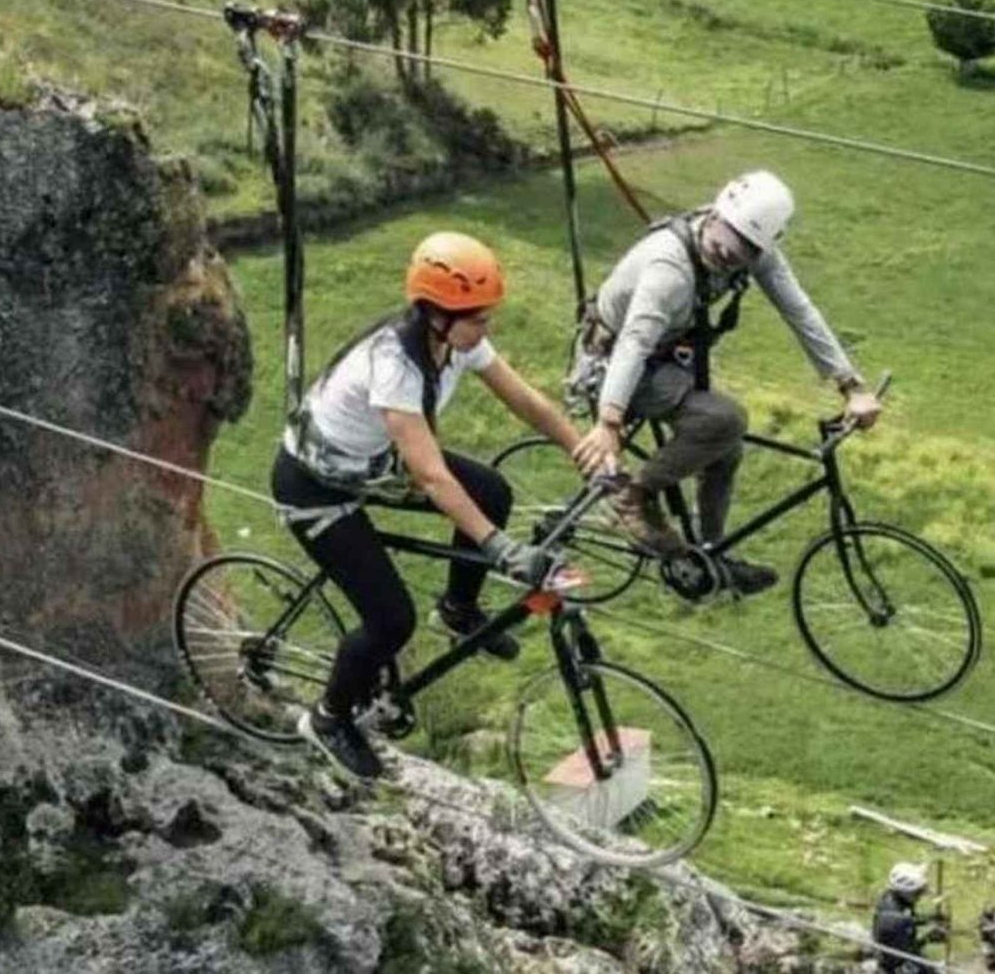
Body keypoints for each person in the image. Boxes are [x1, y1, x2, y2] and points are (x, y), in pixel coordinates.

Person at [272, 231, 585, 779]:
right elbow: (432, 477)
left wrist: (583, 449)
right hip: (316, 488)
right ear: (436, 313)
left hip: (370, 467)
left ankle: (459, 610)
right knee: (391, 620)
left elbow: (527, 402)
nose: (486, 330)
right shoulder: (395, 364)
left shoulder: (454, 341)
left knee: (492, 490)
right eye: (477, 320)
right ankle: (328, 719)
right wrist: (500, 547)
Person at [569, 170, 882, 594]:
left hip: (663, 358)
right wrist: (608, 423)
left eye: (740, 256)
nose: (726, 259)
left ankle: (709, 554)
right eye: (722, 247)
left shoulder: (755, 252)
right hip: (613, 364)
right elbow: (633, 342)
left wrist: (850, 385)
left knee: (725, 447)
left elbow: (800, 311)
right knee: (726, 419)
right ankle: (632, 497)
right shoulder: (669, 268)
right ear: (715, 215)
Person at [871, 862, 946, 973]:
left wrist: (930, 919)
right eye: (917, 893)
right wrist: (929, 939)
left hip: (892, 950)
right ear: (906, 892)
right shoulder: (897, 921)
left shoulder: (889, 898)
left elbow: (910, 918)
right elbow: (905, 953)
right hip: (895, 967)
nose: (920, 897)